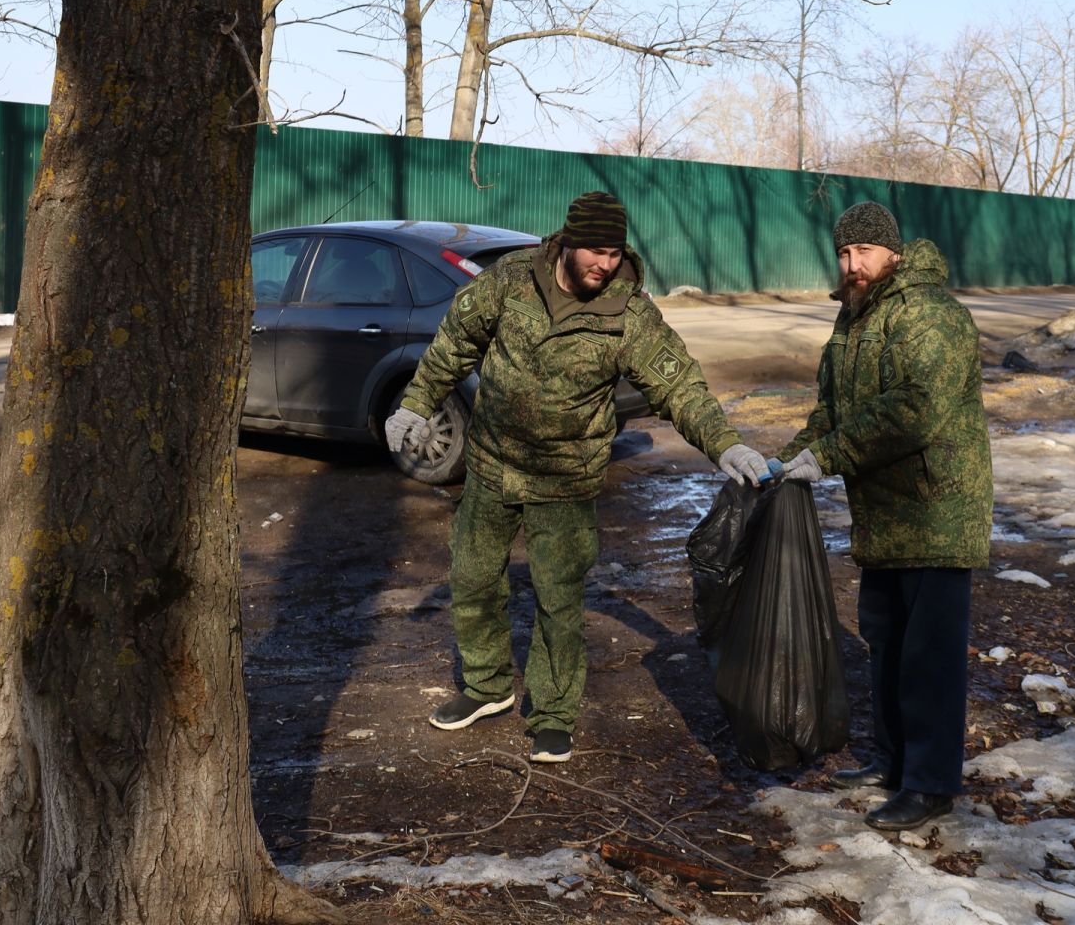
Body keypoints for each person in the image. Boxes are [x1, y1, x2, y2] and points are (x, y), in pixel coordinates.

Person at [386, 191, 768, 764]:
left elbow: (678, 385)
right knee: (471, 579)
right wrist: (417, 403)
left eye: (615, 252)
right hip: (492, 464)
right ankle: (487, 687)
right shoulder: (510, 279)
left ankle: (553, 714)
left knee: (558, 600)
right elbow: (454, 343)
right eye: (595, 249)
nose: (605, 263)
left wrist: (725, 443)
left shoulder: (628, 314)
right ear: (566, 241)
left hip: (566, 479)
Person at [775, 201, 993, 832]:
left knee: (930, 655)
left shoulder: (932, 316)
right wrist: (785, 463)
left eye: (864, 252)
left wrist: (830, 456)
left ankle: (930, 783)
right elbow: (831, 413)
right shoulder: (852, 321)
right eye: (844, 253)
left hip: (936, 510)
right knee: (887, 643)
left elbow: (915, 409)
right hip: (886, 513)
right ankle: (894, 760)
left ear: (893, 252)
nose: (852, 264)